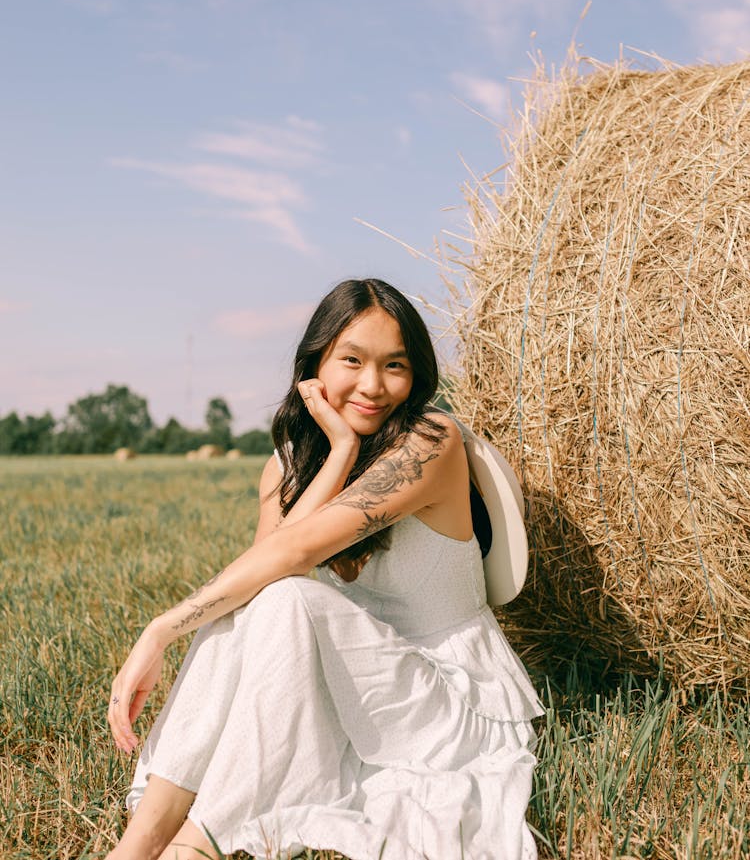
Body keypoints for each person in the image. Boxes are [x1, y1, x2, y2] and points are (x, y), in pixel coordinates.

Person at [105, 278, 544, 860]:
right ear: (314, 366)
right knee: (254, 599)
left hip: (450, 701)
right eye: (352, 361)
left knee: (283, 596)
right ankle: (140, 841)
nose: (372, 385)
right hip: (357, 687)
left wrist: (159, 629)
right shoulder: (286, 466)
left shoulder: (429, 441)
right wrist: (336, 453)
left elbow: (292, 555)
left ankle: (198, 843)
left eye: (395, 365)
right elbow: (265, 571)